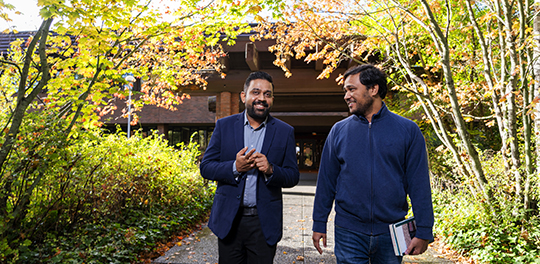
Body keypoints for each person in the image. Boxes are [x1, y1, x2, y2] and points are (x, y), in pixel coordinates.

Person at [311, 64, 434, 264]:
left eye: (352, 89)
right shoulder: (338, 131)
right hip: (348, 230)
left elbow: (419, 184)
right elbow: (326, 181)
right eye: (345, 91)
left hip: (391, 232)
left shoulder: (408, 130)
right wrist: (319, 223)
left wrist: (424, 231)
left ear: (373, 89)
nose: (346, 95)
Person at [200, 71, 300, 264]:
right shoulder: (224, 126)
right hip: (230, 220)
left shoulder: (284, 131)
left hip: (264, 223)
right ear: (243, 96)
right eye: (256, 92)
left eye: (267, 94)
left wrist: (271, 170)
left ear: (272, 99)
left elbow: (292, 176)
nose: (261, 98)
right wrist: (234, 167)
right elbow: (206, 167)